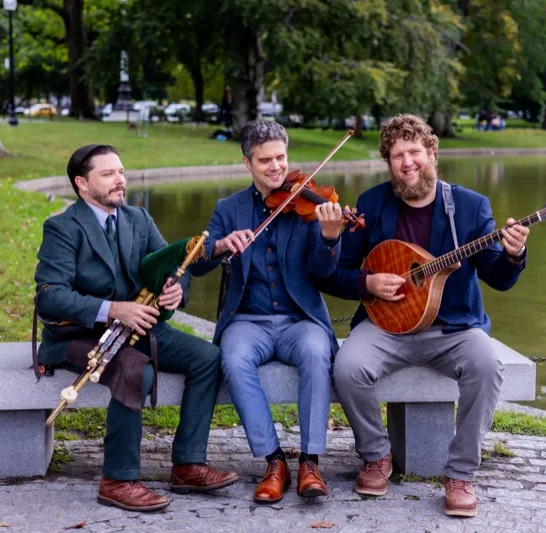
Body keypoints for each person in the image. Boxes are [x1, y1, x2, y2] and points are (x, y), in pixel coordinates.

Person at [320, 114, 529, 517]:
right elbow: (334, 272)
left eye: (415, 151)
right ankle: (377, 455)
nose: (407, 162)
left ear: (432, 153)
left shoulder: (469, 207)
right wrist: (368, 284)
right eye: (397, 155)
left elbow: (498, 278)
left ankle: (461, 474)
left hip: (452, 328)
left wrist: (513, 254)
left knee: (487, 365)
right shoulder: (372, 204)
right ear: (389, 162)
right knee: (347, 366)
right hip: (385, 326)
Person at [34, 144, 239, 512]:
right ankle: (118, 479)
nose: (120, 180)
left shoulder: (139, 219)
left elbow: (173, 267)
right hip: (78, 335)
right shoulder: (62, 227)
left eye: (122, 172)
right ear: (81, 183)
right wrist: (113, 310)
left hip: (138, 326)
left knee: (207, 357)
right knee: (134, 370)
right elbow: (49, 297)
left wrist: (176, 292)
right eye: (108, 174)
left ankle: (188, 463)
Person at [191, 120, 345, 503]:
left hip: (299, 319)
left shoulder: (309, 204)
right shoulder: (229, 209)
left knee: (315, 351)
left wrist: (330, 238)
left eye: (281, 157)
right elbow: (196, 264)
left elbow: (322, 273)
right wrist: (222, 245)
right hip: (248, 319)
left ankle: (310, 461)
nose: (276, 167)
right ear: (248, 163)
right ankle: (274, 461)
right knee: (234, 354)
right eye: (265, 161)